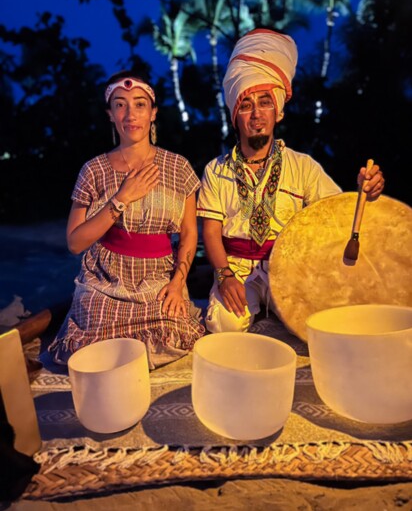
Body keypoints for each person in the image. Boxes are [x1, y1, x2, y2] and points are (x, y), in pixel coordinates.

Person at [197, 29, 385, 334]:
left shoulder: (303, 166)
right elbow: (211, 232)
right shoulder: (216, 170)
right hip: (238, 268)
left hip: (292, 267)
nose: (256, 113)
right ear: (235, 115)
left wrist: (367, 191)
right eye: (246, 105)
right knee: (223, 324)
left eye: (265, 103)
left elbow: (336, 213)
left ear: (278, 112)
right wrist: (224, 275)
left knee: (322, 324)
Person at [49, 71, 204, 369]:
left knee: (172, 332)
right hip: (106, 281)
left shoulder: (179, 167)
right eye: (120, 105)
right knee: (88, 344)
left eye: (140, 104)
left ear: (153, 112)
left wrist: (177, 283)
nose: (130, 114)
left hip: (158, 281)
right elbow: (74, 243)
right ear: (110, 114)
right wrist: (121, 198)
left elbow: (188, 234)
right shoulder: (93, 170)